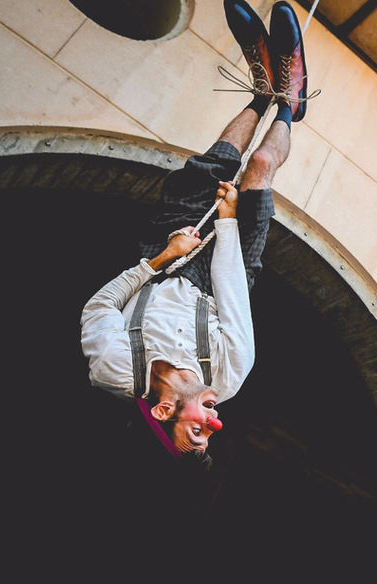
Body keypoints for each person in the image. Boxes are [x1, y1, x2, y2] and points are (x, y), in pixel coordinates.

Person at [80, 0, 311, 465]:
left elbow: (100, 306)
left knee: (210, 165)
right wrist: (227, 221)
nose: (216, 421)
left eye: (198, 432)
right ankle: (290, 104)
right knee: (260, 167)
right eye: (212, 434)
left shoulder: (114, 369)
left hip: (164, 260)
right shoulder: (228, 379)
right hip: (225, 278)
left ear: (164, 411)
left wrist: (163, 258)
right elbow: (232, 295)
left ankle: (262, 92)